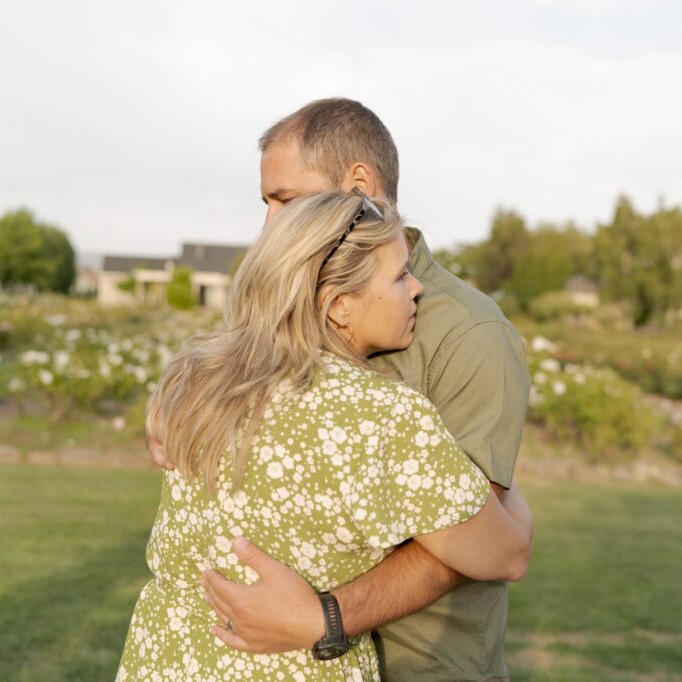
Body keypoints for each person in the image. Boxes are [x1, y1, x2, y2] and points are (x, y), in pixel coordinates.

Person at [149, 98, 532, 681]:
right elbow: (505, 537)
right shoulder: (271, 333)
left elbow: (472, 544)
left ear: (359, 184)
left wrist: (325, 617)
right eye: (268, 204)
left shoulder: (469, 334)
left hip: (417, 664)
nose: (271, 225)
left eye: (286, 200)